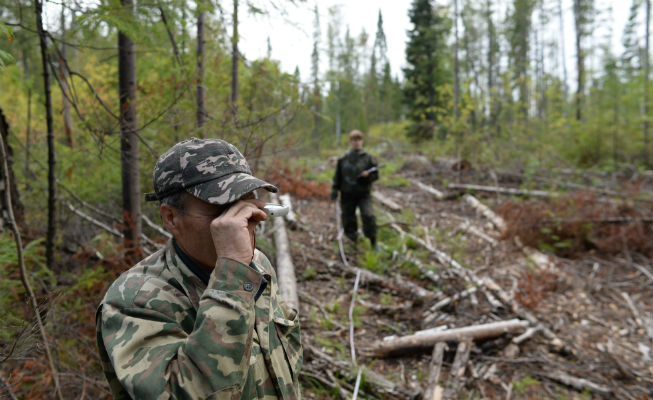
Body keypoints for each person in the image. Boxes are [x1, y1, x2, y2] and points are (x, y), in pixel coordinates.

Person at [96, 138, 302, 399]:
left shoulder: (257, 264)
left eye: (246, 201)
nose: (242, 220)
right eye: (222, 208)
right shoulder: (134, 299)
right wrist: (233, 278)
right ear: (171, 218)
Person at [331, 130, 379, 248]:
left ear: (362, 141)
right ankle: (353, 243)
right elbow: (338, 176)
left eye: (358, 140)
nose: (356, 142)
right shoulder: (343, 159)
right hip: (347, 194)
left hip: (363, 194)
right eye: (354, 140)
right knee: (348, 218)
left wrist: (368, 176)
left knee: (368, 216)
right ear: (350, 141)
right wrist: (334, 189)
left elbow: (376, 175)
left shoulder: (368, 158)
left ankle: (373, 242)